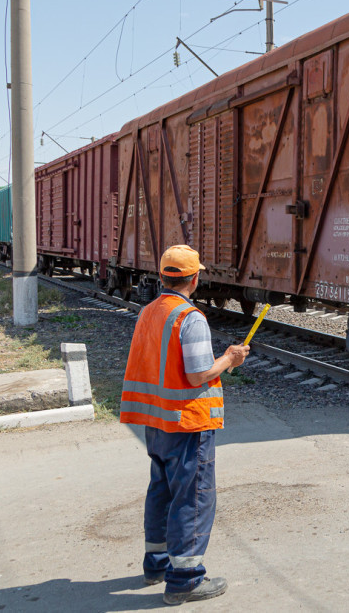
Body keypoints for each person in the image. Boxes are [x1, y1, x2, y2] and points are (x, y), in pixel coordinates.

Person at [120, 244, 249, 605]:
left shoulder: (149, 312)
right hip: (186, 423)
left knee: (161, 492)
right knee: (192, 498)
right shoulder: (189, 318)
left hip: (156, 421)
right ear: (195, 279)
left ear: (162, 276)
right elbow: (197, 375)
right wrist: (229, 359)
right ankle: (186, 579)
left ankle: (157, 563)